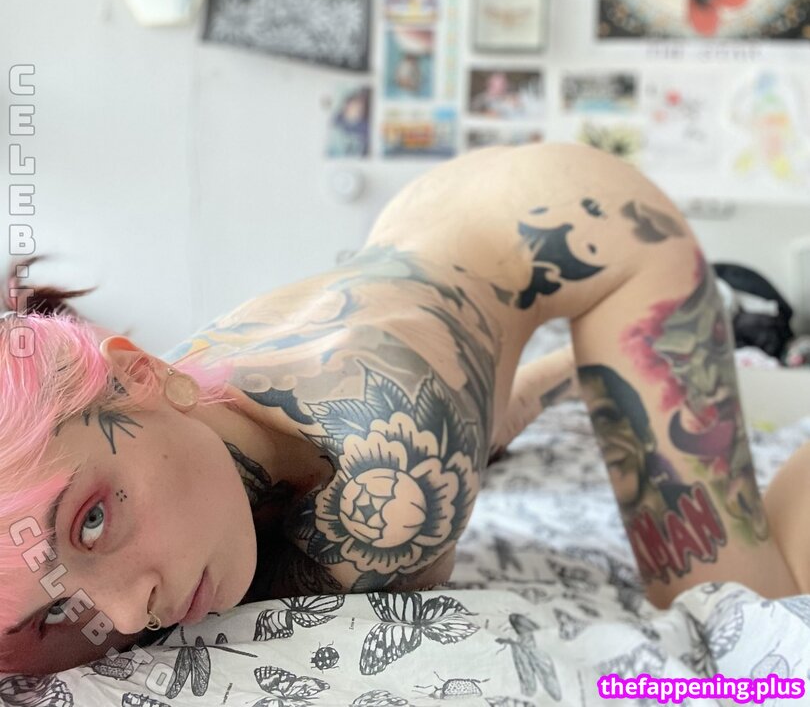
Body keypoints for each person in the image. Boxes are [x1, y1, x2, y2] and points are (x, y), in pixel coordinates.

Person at [0, 142, 800, 677]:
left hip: (590, 230)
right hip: (432, 236)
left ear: (142, 376)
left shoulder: (385, 479)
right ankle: (577, 370)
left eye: (94, 521)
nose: (127, 612)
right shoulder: (167, 420)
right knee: (467, 414)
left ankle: (609, 350)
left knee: (741, 621)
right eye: (60, 609)